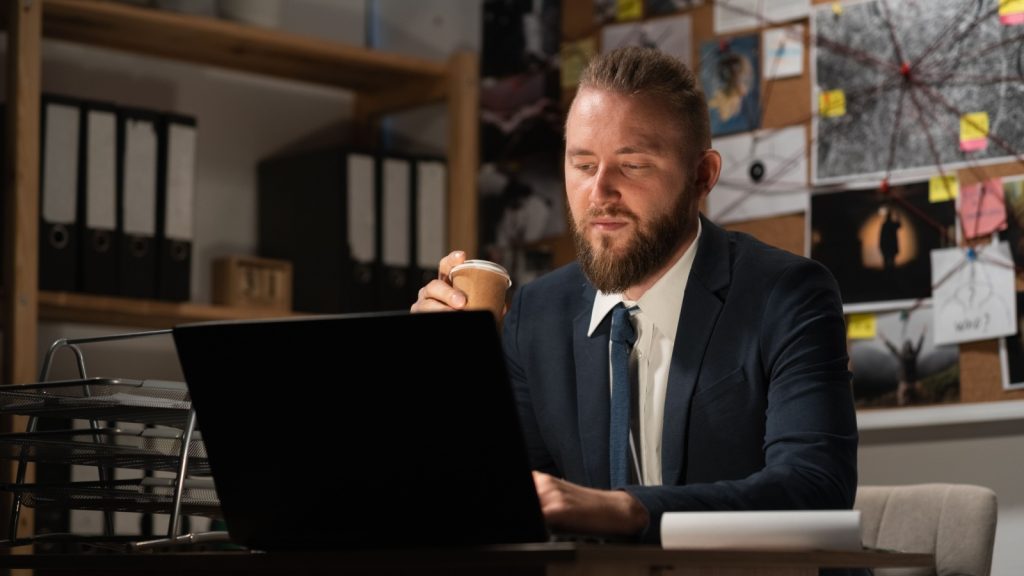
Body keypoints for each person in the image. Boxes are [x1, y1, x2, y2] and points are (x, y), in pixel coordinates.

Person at [412, 46, 858, 546]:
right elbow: (494, 510)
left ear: (702, 176)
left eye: (634, 165)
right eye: (583, 164)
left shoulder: (789, 296)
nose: (600, 192)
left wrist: (627, 510)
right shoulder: (535, 316)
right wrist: (446, 375)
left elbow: (816, 488)